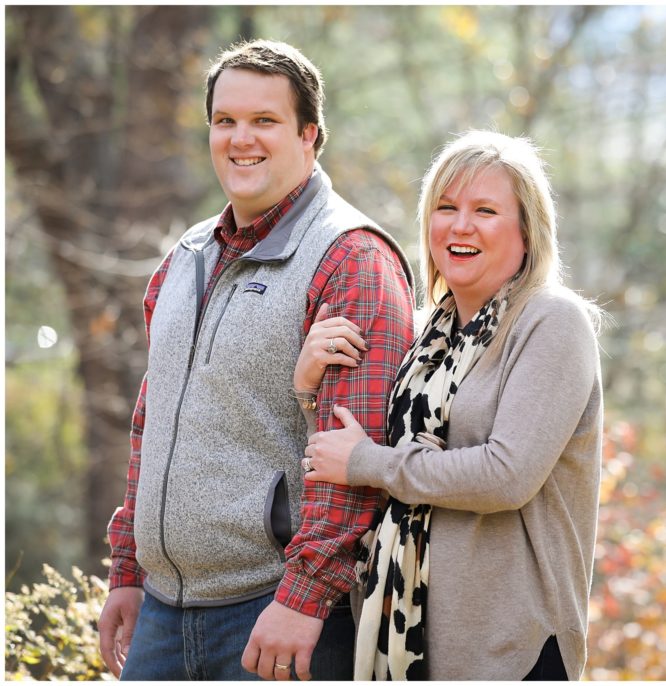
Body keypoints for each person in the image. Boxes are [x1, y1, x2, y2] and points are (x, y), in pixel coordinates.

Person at [96, 39, 415, 681]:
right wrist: (128, 569)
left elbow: (354, 451)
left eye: (264, 121)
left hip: (276, 617)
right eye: (225, 121)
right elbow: (149, 423)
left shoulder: (351, 259)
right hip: (160, 614)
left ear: (309, 135)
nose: (241, 139)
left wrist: (303, 597)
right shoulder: (185, 257)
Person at [297, 130, 604, 680]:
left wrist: (372, 463)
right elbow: (343, 455)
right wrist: (307, 389)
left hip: (509, 648)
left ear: (528, 230)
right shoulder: (424, 335)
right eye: (446, 207)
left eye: (485, 210)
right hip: (401, 631)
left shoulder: (551, 322)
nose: (460, 226)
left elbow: (506, 475)